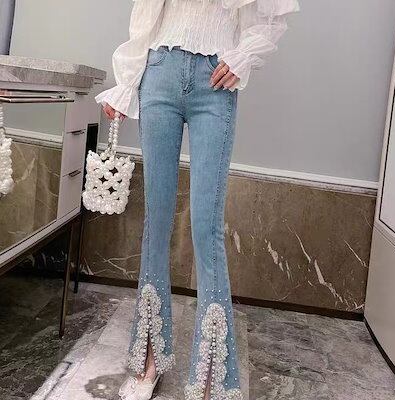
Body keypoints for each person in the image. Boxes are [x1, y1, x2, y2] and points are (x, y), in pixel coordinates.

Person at [95, 1, 300, 399]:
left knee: (206, 228)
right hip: (159, 72)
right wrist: (125, 83)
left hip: (214, 81)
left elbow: (272, 16)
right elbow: (147, 14)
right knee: (157, 223)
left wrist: (243, 57)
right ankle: (148, 359)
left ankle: (210, 378)